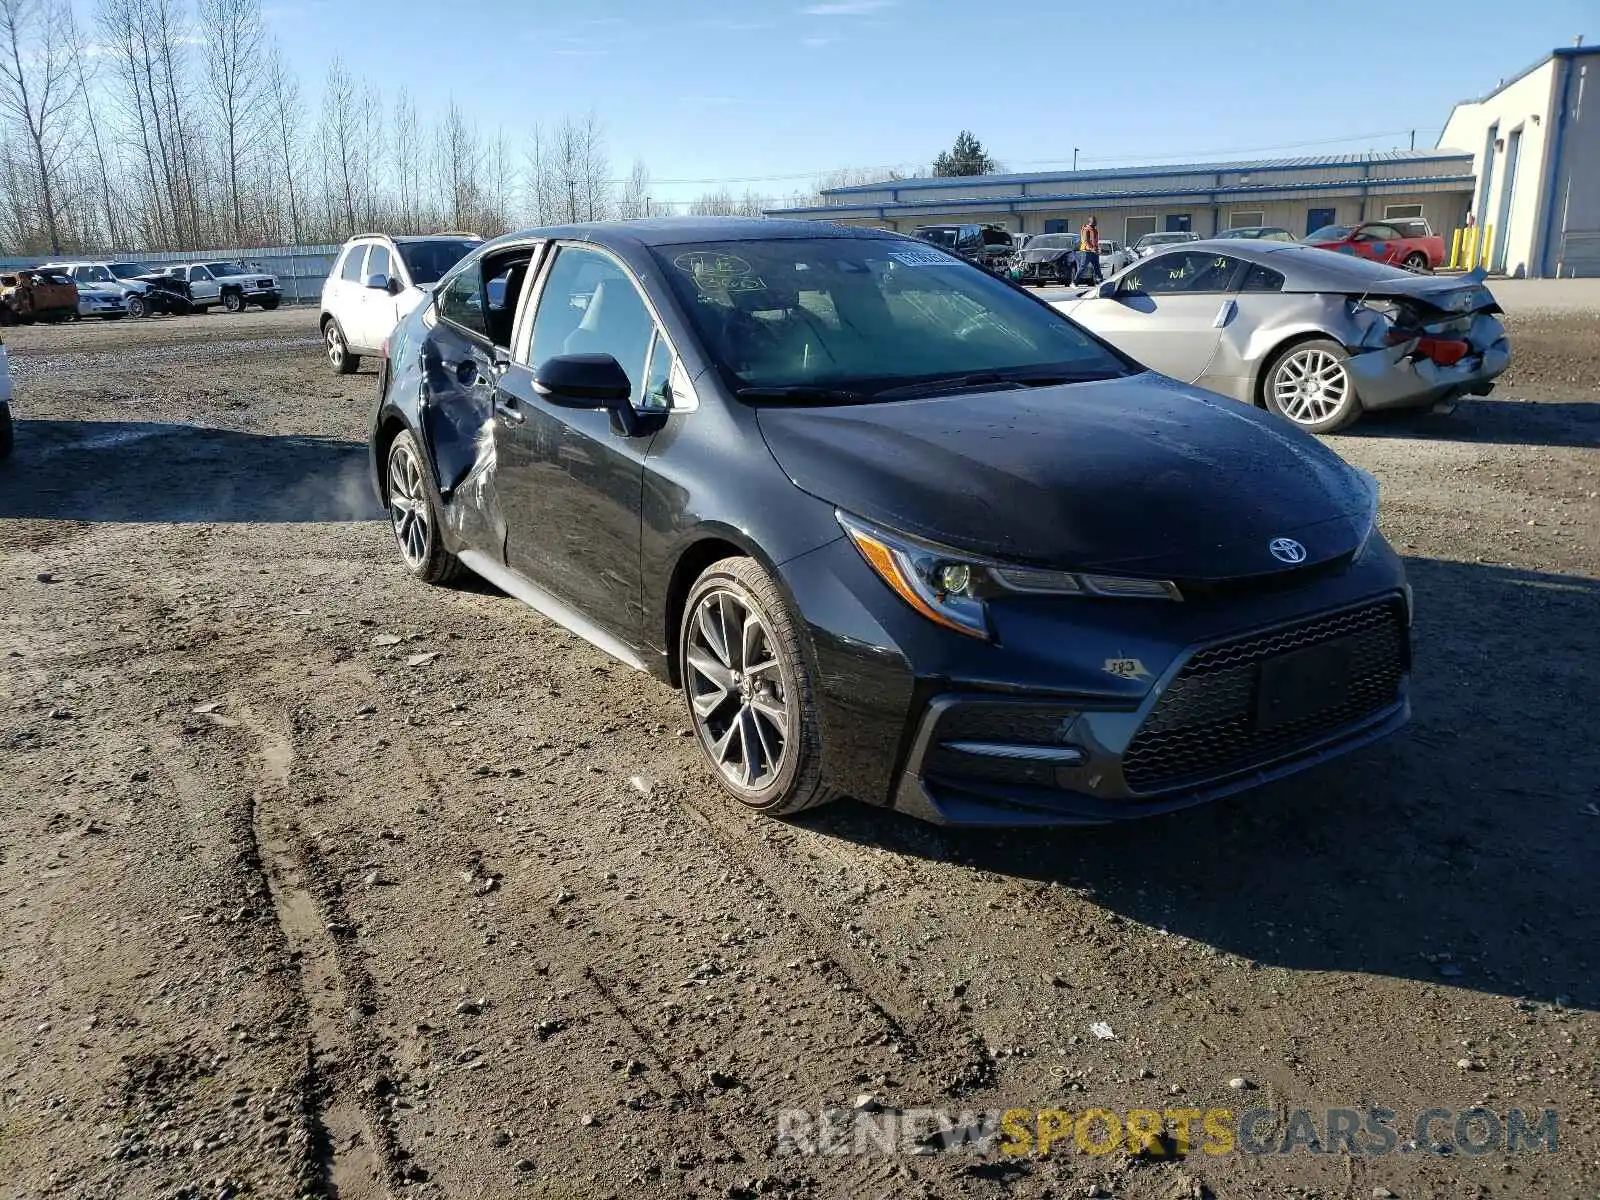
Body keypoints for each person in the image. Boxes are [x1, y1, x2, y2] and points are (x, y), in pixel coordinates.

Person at [1077, 216, 1102, 285]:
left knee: (1097, 266)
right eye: (1095, 221)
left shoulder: (1094, 230)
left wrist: (1097, 248)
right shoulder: (1086, 229)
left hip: (1094, 251)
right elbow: (1086, 241)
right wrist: (1091, 249)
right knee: (1083, 267)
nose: (1096, 222)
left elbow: (1095, 241)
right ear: (1091, 222)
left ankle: (1100, 280)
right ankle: (1075, 281)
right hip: (1086, 252)